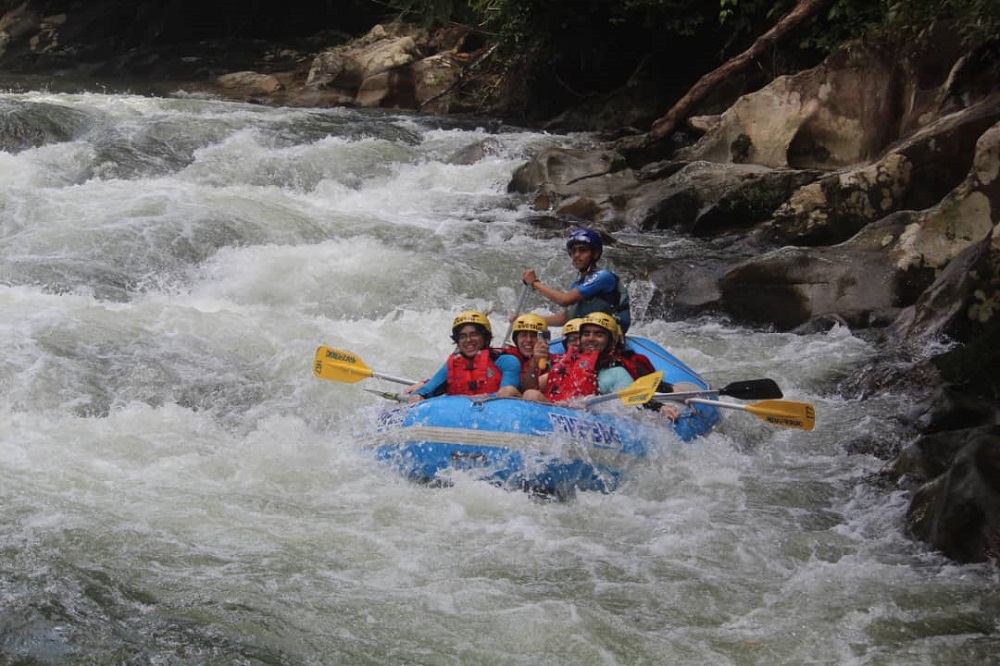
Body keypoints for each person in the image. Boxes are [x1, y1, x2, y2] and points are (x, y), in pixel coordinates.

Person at [521, 228, 631, 334]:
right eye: (573, 251)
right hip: (590, 334)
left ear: (595, 254)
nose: (576, 255)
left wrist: (534, 282)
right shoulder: (578, 284)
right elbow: (567, 317)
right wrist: (530, 320)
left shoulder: (603, 277)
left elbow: (563, 300)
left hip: (611, 336)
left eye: (582, 250)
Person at [408, 310, 522, 402]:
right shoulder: (452, 365)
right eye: (462, 336)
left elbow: (506, 397)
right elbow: (425, 390)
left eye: (474, 334)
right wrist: (418, 396)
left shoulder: (507, 361)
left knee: (509, 391)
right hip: (459, 416)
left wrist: (473, 399)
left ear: (485, 337)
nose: (468, 340)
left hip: (494, 414)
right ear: (457, 341)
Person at [501, 313, 551, 390]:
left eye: (534, 335)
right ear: (516, 340)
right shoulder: (505, 358)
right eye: (523, 335)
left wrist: (534, 363)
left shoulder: (553, 362)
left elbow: (529, 392)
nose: (528, 340)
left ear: (544, 340)